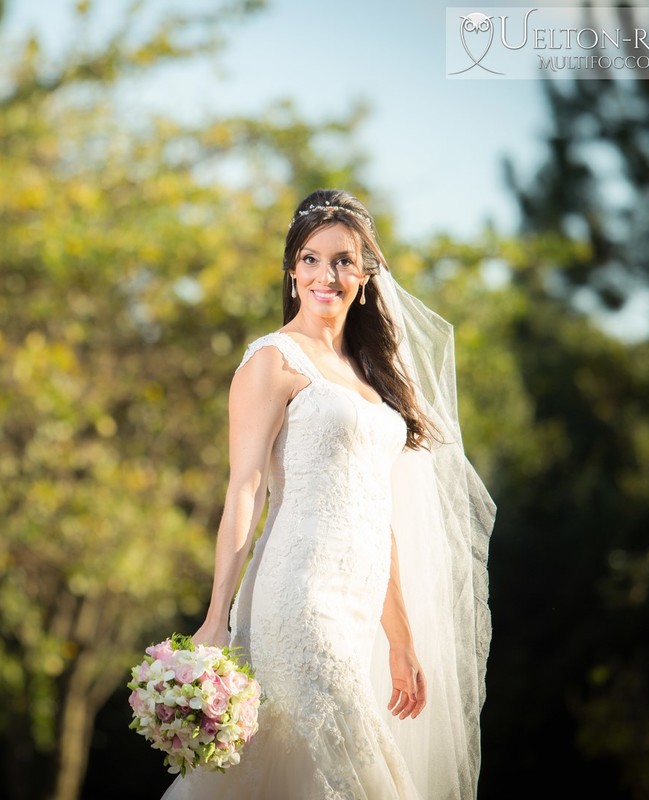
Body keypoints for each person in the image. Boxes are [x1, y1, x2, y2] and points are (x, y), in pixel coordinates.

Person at [161, 189, 495, 799]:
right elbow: (245, 490)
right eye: (311, 259)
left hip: (356, 606)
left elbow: (375, 513)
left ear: (365, 277)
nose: (326, 275)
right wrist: (214, 618)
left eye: (343, 261)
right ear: (292, 271)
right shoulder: (273, 361)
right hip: (298, 595)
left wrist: (401, 638)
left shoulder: (373, 376)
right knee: (352, 770)